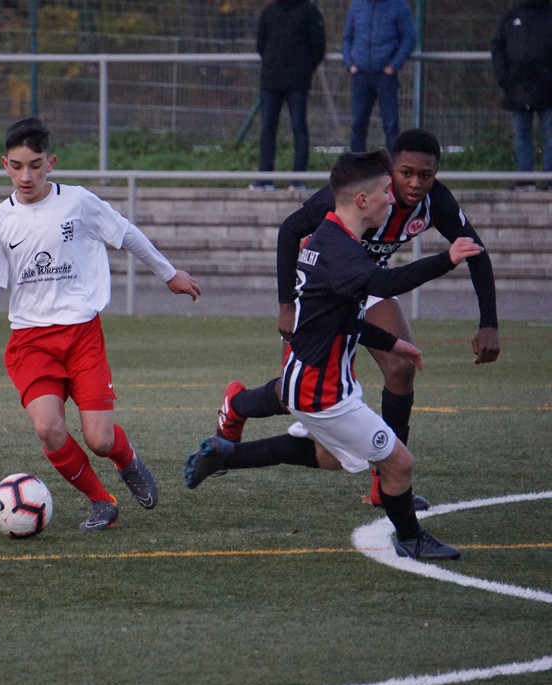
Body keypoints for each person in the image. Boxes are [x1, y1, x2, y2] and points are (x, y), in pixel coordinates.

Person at [186, 150, 485, 561]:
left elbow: (345, 316)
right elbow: (385, 283)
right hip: (324, 393)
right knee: (399, 463)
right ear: (362, 200)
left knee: (329, 457)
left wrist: (393, 343)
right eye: (385, 191)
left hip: (305, 380)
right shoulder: (342, 252)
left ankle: (227, 454)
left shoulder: (327, 239)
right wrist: (446, 259)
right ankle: (411, 537)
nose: (392, 198)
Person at [0, 117, 201, 531]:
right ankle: (101, 501)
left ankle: (126, 460)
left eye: (35, 165)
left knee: (99, 439)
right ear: (4, 165)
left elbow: (126, 234)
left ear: (51, 162)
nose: (26, 175)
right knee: (48, 428)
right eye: (16, 166)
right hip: (31, 341)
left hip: (82, 334)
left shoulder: (78, 202)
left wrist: (169, 274)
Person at [241, 128, 499, 510]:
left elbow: (476, 251)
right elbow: (291, 229)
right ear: (392, 168)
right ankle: (237, 404)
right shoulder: (363, 189)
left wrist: (489, 322)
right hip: (321, 286)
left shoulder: (436, 202)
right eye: (406, 173)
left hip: (369, 281)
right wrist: (286, 304)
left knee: (401, 368)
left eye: (426, 175)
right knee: (302, 390)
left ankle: (387, 481)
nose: (415, 183)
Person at [250, 0, 326, 191]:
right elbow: (261, 44)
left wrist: (304, 68)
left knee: (299, 128)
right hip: (271, 81)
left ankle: (298, 179)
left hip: (297, 82)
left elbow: (318, 46)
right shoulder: (269, 11)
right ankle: (265, 178)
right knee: (268, 128)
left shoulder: (309, 12)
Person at [490, 0, 552, 191]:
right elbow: (497, 45)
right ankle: (525, 178)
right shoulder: (511, 15)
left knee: (550, 132)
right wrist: (502, 76)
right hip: (517, 87)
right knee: (521, 133)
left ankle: (549, 178)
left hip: (548, 88)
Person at [342, 0, 416, 154]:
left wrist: (394, 65)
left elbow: (409, 38)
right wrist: (349, 64)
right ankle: (358, 166)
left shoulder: (399, 5)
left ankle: (394, 166)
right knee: (358, 124)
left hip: (385, 76)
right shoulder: (357, 5)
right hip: (360, 75)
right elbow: (347, 37)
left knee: (390, 126)